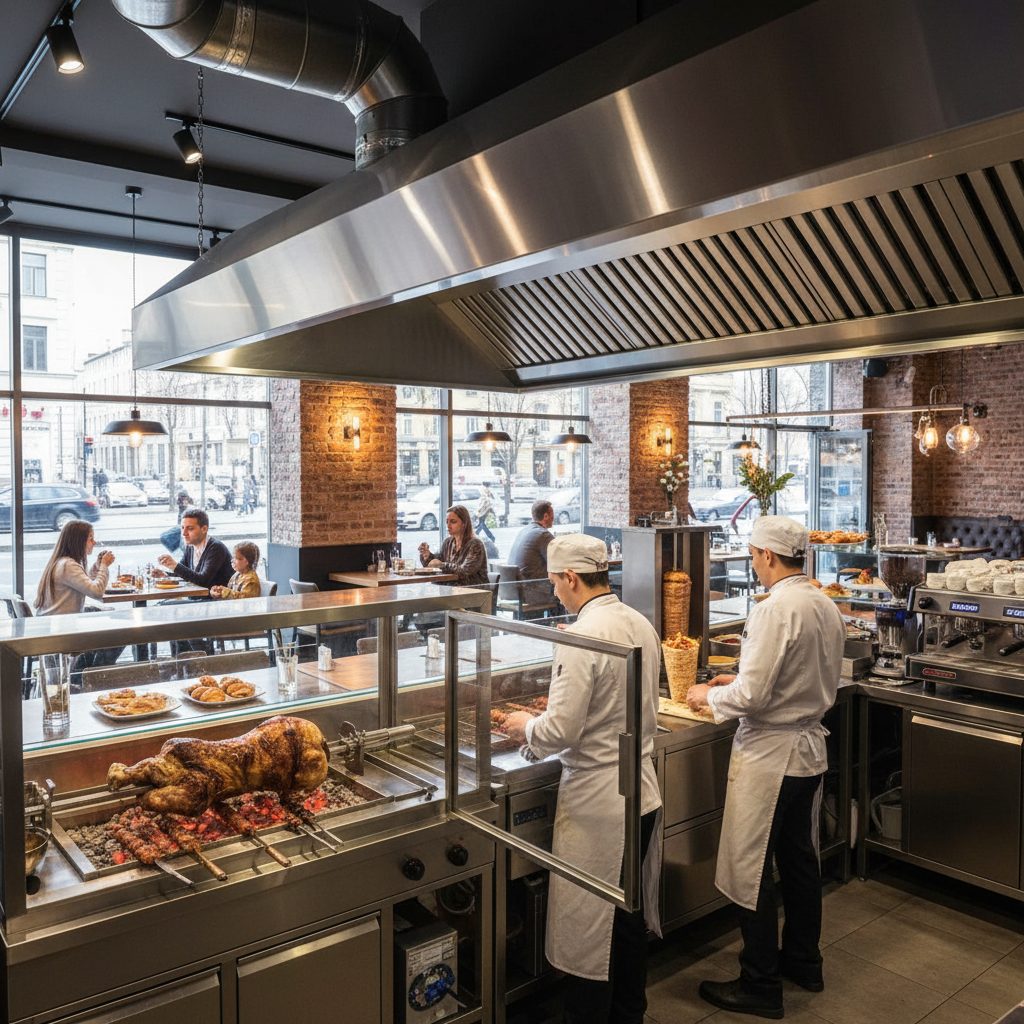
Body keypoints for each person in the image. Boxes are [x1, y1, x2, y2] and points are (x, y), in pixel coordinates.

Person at [686, 516, 845, 1020]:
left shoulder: (774, 608)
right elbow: (792, 673)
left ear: (769, 556)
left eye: (754, 555)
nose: (754, 563)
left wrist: (710, 695)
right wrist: (738, 678)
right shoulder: (822, 602)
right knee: (800, 862)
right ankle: (804, 962)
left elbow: (753, 697)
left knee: (750, 866)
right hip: (808, 756)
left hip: (771, 757)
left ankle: (759, 982)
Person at [504, 534, 662, 1024]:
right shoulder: (638, 621)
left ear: (572, 577)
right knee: (626, 919)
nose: (553, 591)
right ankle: (630, 1014)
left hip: (599, 804)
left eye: (555, 582)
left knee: (588, 927)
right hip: (641, 792)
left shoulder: (580, 637)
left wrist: (524, 726)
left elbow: (560, 731)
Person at [34, 519, 124, 679]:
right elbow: (96, 591)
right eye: (91, 538)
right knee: (119, 634)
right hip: (62, 630)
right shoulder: (68, 565)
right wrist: (104, 566)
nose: (94, 542)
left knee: (108, 619)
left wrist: (97, 566)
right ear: (78, 541)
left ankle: (84, 675)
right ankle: (91, 678)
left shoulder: (62, 562)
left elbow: (84, 582)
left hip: (55, 625)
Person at [417, 504, 488, 585]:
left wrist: (441, 565)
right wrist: (427, 555)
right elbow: (437, 562)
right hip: (450, 588)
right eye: (447, 522)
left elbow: (464, 571)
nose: (448, 526)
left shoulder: (475, 544)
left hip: (473, 590)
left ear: (464, 523)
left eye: (453, 522)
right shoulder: (448, 542)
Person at [506, 498, 555, 609]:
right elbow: (557, 563)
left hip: (513, 591)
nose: (553, 518)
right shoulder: (543, 534)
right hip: (530, 593)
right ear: (546, 516)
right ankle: (559, 621)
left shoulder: (524, 531)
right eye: (552, 515)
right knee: (563, 593)